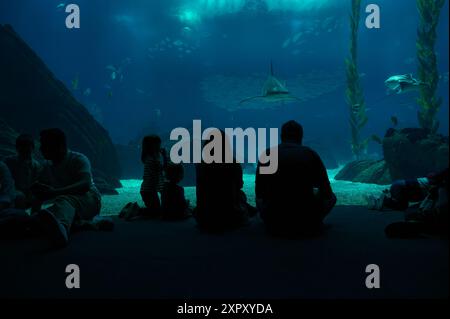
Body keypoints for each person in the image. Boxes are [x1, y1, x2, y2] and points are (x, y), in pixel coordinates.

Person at [256, 120, 336, 237]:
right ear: (301, 136)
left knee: (259, 200)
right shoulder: (310, 154)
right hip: (305, 216)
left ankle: (274, 223)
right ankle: (313, 222)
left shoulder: (268, 154)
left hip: (274, 217)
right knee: (332, 198)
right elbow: (326, 192)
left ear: (281, 136)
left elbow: (259, 192)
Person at [31, 128, 102, 247]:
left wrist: (54, 192)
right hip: (65, 204)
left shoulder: (78, 159)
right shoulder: (46, 166)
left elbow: (85, 184)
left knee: (63, 202)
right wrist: (35, 211)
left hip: (89, 200)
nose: (41, 148)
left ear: (59, 145)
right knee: (43, 216)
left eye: (44, 145)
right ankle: (84, 224)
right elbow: (39, 193)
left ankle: (62, 231)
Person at [194, 129, 254, 232]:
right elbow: (239, 185)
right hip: (230, 216)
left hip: (205, 217)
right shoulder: (233, 163)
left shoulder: (200, 164)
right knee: (241, 195)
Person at [367, 168, 448, 237]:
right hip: (401, 188)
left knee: (405, 208)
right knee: (404, 207)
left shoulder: (437, 185)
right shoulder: (438, 186)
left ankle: (382, 200)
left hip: (400, 187)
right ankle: (383, 200)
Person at [5, 134, 42, 209]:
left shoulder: (36, 166)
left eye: (27, 147)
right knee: (19, 196)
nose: (25, 150)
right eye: (22, 148)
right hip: (12, 194)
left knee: (38, 197)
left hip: (29, 195)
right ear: (17, 148)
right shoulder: (9, 161)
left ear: (32, 148)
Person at [139, 135, 167, 218]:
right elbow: (162, 170)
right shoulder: (152, 159)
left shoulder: (149, 158)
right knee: (156, 213)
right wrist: (165, 156)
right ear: (152, 147)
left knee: (156, 211)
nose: (160, 146)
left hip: (148, 190)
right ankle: (137, 211)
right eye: (158, 144)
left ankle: (142, 212)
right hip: (149, 191)